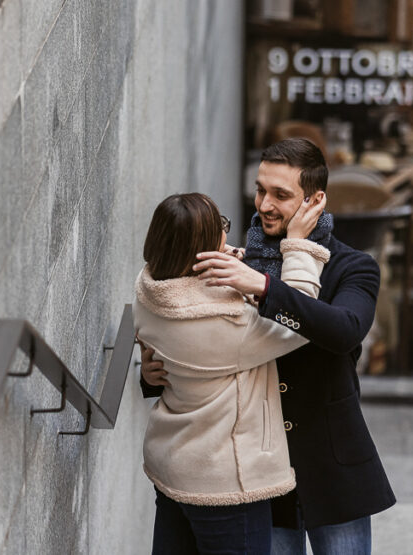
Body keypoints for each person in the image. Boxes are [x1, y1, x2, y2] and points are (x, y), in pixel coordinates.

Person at [142, 139, 396, 554]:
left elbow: (344, 330)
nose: (265, 205)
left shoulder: (353, 266)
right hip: (256, 474)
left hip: (331, 467)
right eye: (261, 190)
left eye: (281, 195)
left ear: (315, 201)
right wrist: (153, 373)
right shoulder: (235, 259)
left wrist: (264, 287)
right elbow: (189, 329)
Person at [135, 192, 330, 554]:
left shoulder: (149, 289)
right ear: (202, 246)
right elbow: (301, 316)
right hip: (225, 486)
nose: (228, 235)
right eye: (220, 228)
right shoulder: (227, 324)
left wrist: (235, 269)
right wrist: (299, 246)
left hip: (174, 466)